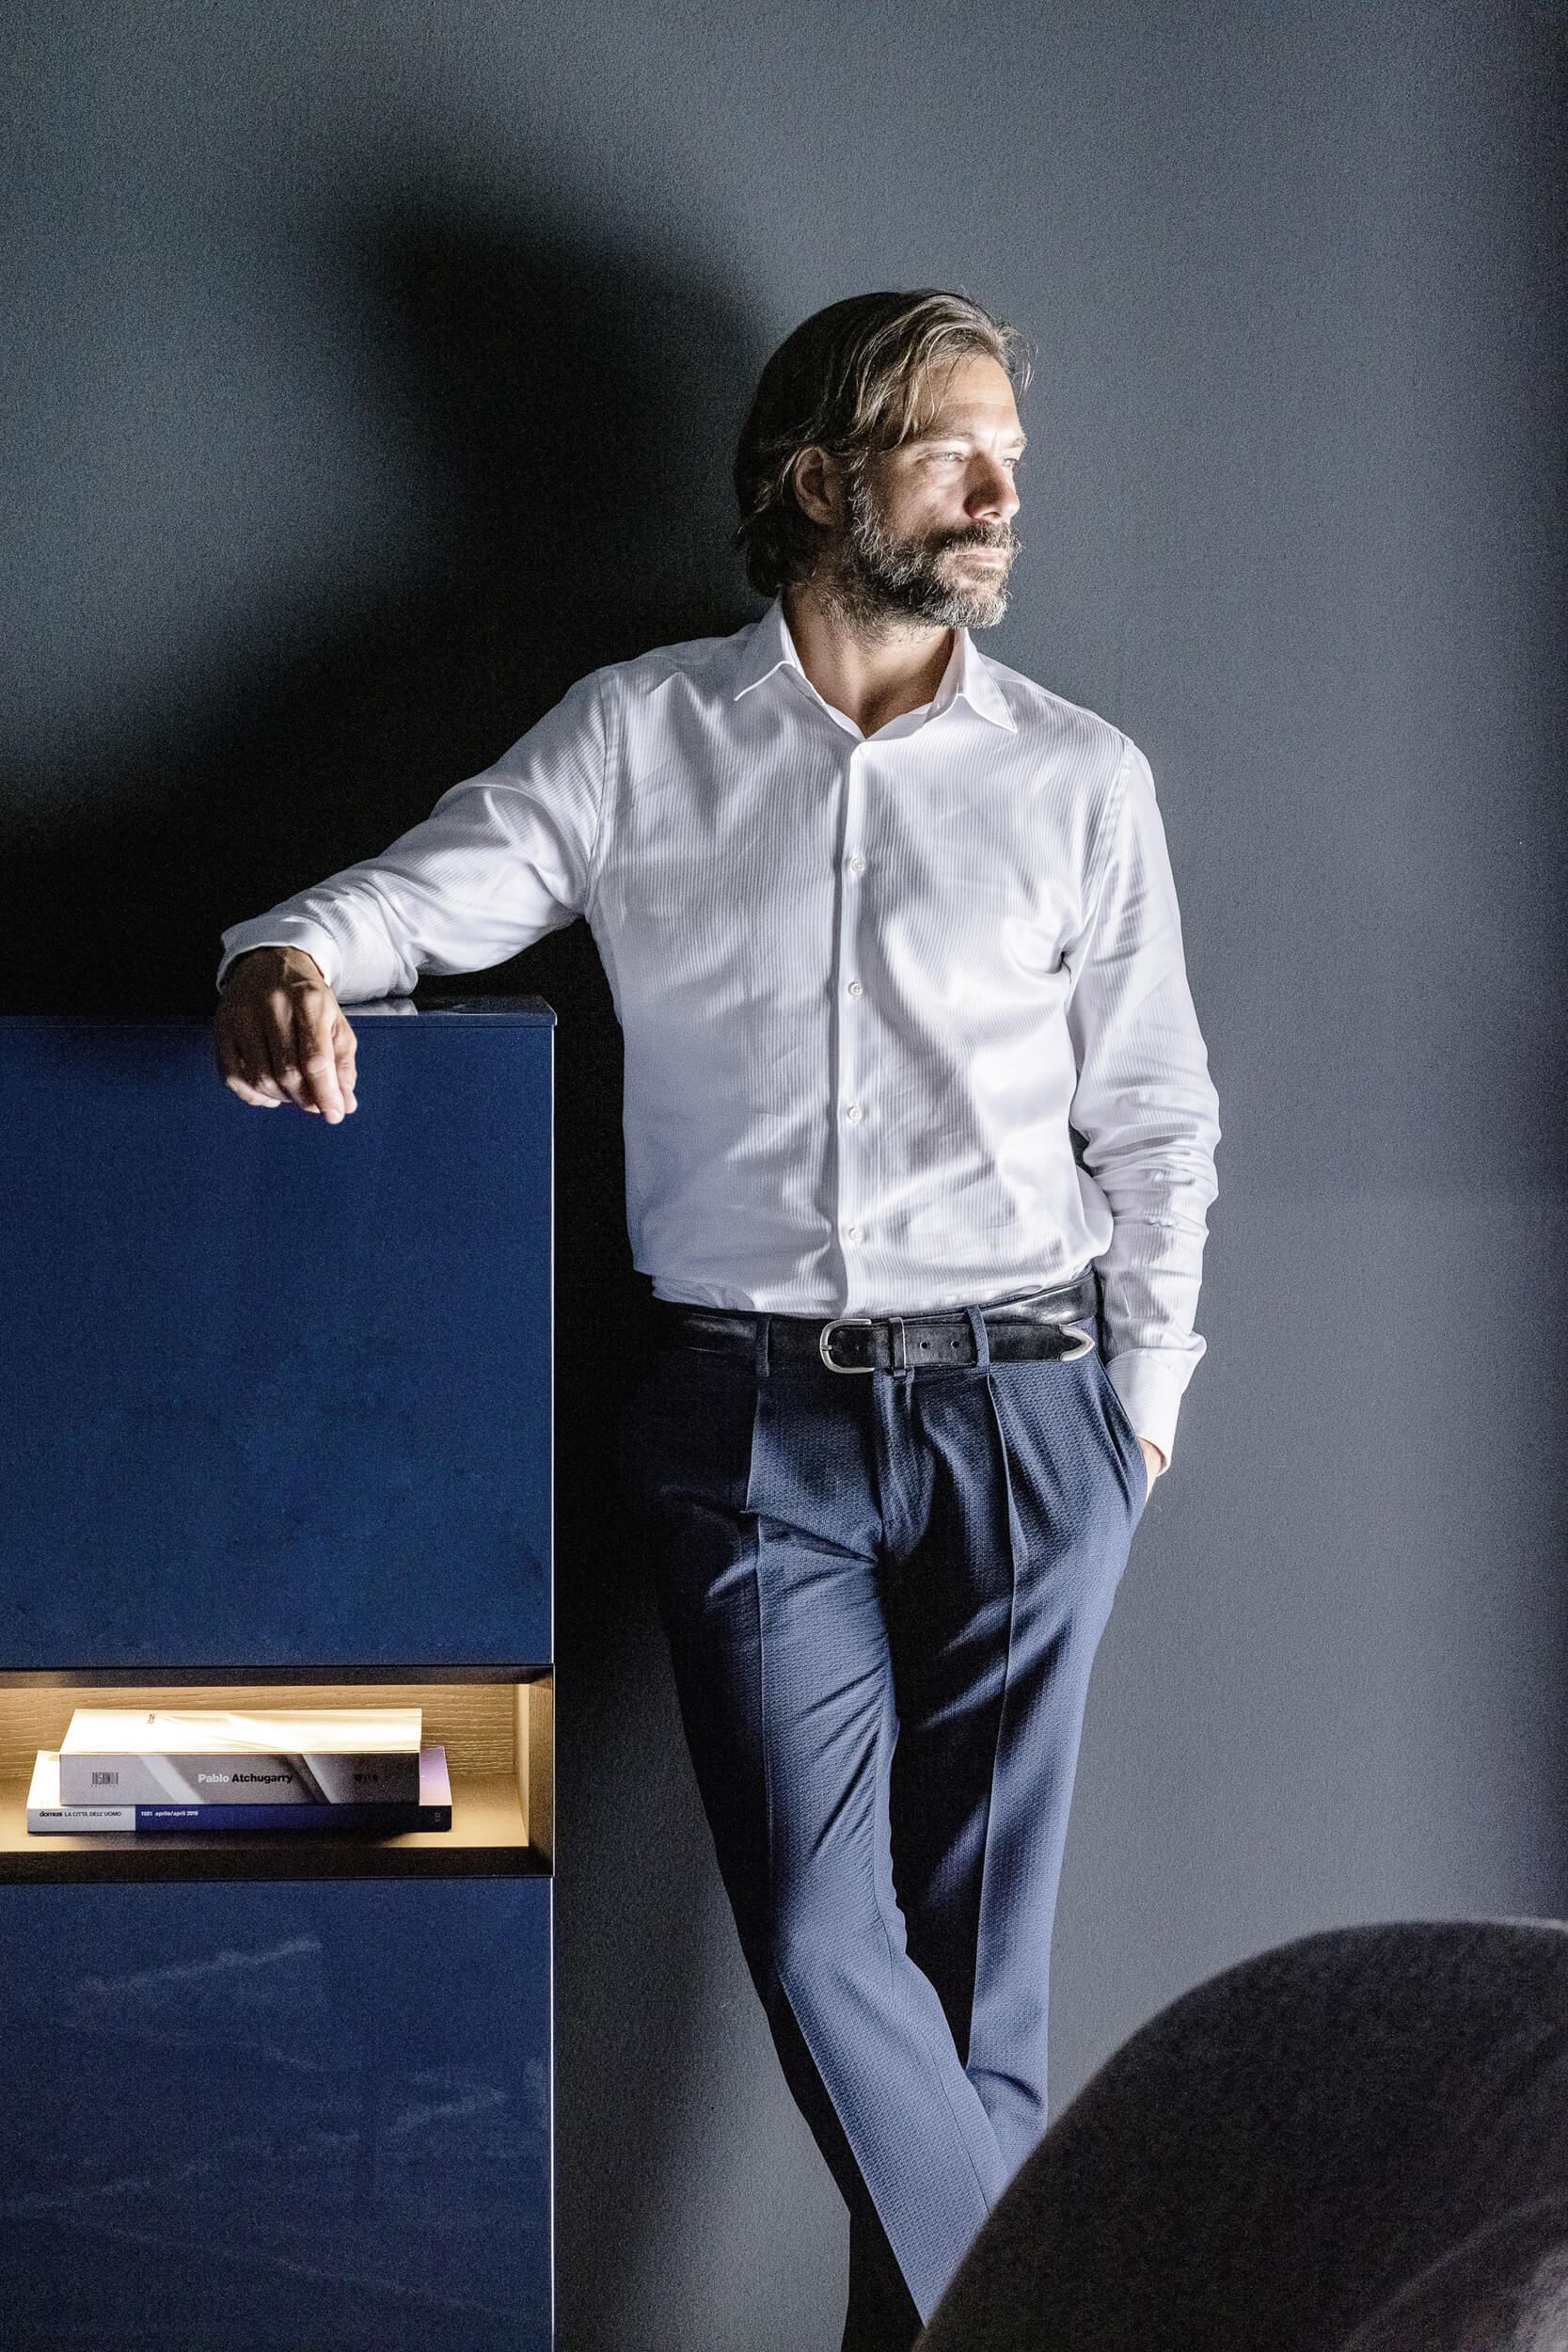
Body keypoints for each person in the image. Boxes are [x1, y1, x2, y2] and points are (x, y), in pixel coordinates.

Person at [214, 289, 1220, 2352]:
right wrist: (289, 954)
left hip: (1030, 1410)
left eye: (1011, 454)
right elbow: (423, 897)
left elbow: (1156, 1113)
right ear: (819, 478)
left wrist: (1141, 1406)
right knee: (827, 1945)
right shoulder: (638, 737)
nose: (999, 492)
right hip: (754, 1426)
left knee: (980, 1994)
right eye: (952, 450)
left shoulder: (1079, 779)